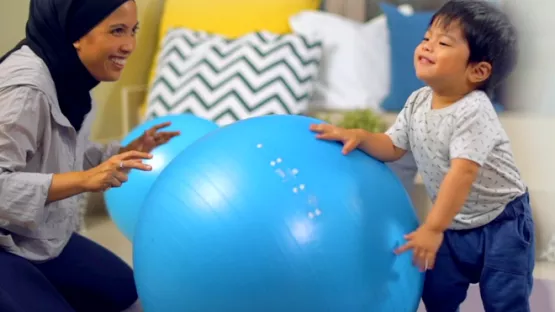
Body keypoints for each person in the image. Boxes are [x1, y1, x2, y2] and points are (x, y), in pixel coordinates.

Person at [310, 1, 534, 311]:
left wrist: (432, 228)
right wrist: (360, 137)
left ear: (478, 70)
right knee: (437, 293)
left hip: (501, 222)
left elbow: (462, 174)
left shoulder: (474, 110)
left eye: (442, 43)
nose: (427, 46)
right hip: (453, 222)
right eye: (427, 38)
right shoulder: (418, 101)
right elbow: (393, 146)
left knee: (504, 299)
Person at [0, 0, 179, 311]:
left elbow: (53, 154)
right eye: (117, 31)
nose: (129, 45)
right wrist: (84, 181)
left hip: (33, 236)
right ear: (76, 33)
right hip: (6, 243)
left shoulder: (70, 75)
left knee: (132, 299)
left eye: (133, 30)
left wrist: (122, 153)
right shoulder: (26, 90)